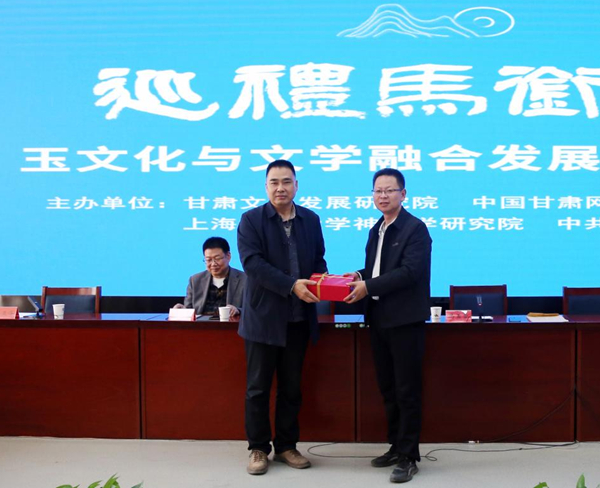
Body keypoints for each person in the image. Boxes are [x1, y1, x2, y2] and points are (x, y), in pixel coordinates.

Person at [236, 159, 327, 475]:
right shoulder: (251, 220)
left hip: (298, 319)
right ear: (266, 187)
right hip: (263, 319)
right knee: (258, 388)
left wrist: (325, 282)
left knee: (291, 388)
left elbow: (318, 260)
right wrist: (291, 285)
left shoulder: (310, 220)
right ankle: (258, 448)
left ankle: (287, 446)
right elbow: (253, 264)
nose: (280, 188)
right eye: (274, 182)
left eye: (286, 181)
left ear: (296, 185)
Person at [344, 168, 432, 484]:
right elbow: (377, 269)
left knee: (407, 390)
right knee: (388, 388)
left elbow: (408, 272)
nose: (383, 196)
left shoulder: (415, 229)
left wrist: (368, 286)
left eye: (389, 190)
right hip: (379, 318)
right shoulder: (376, 229)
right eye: (378, 191)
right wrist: (358, 276)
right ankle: (396, 446)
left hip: (405, 320)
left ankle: (409, 456)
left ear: (403, 194)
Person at [173, 236, 245, 320]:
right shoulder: (195, 280)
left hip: (231, 326)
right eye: (208, 259)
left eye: (217, 258)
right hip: (201, 326)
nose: (213, 264)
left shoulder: (245, 279)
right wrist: (181, 311)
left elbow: (254, 309)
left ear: (228, 256)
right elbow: (189, 310)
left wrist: (238, 310)